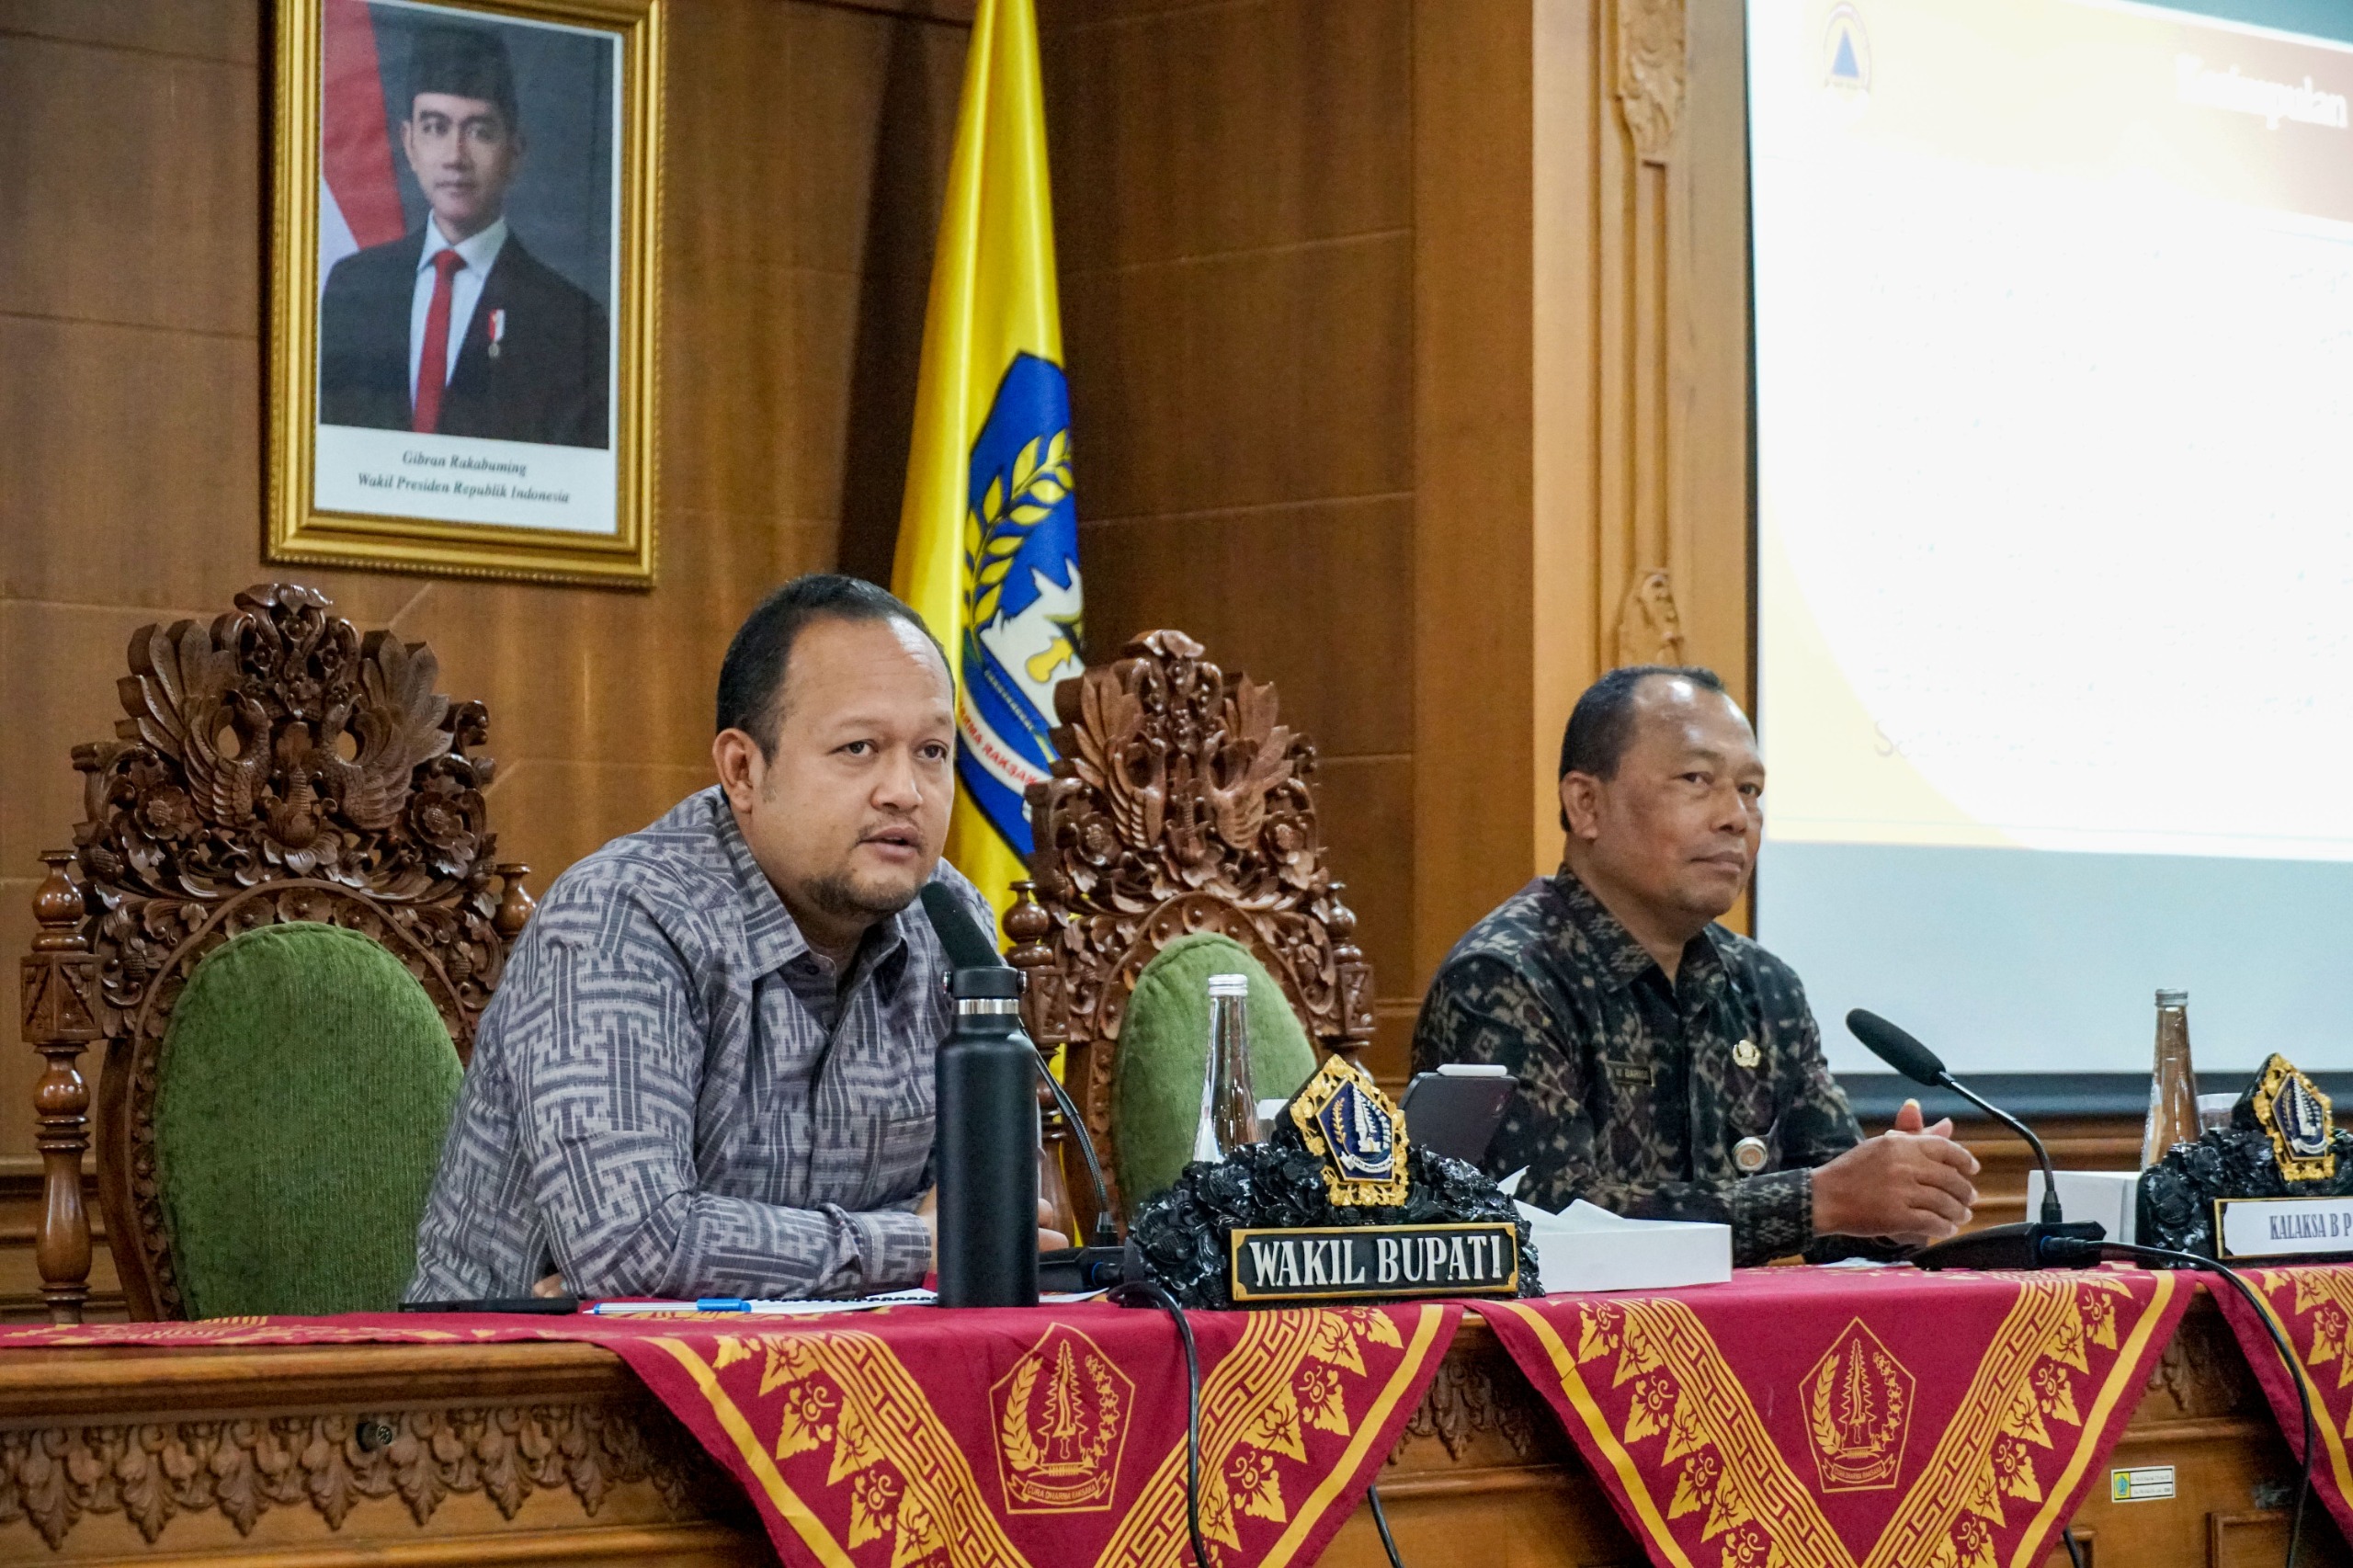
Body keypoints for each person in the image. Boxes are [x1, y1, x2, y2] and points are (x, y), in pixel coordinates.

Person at [409, 575, 1063, 1302]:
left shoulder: (951, 923)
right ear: (743, 770)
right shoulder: (622, 919)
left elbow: (1009, 1219)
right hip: (536, 1395)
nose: (905, 791)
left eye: (933, 752)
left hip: (849, 1384)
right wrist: (913, 1241)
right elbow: (632, 1245)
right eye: (859, 748)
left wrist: (724, 1259)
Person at [1411, 665, 1981, 1267]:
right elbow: (1539, 1216)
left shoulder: (1764, 988)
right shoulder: (1505, 977)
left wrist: (1901, 1201)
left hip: (1736, 1344)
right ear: (1586, 805)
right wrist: (1815, 1201)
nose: (1736, 816)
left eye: (1751, 790)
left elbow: (1833, 1198)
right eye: (1696, 779)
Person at [318, 24, 609, 449]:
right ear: (410, 144)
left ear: (515, 153)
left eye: (479, 131)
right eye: (435, 127)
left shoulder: (570, 323)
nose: (455, 156)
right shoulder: (354, 287)